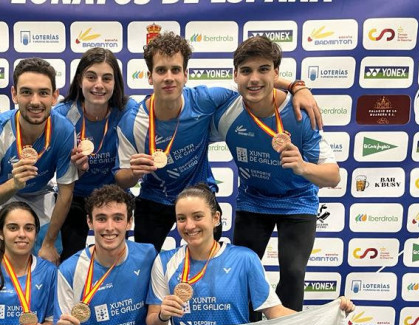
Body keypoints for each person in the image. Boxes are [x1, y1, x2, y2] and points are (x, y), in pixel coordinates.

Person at [115, 31, 323, 252]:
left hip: (200, 195)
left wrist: (298, 87)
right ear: (149, 76)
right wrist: (134, 173)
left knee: (212, 264)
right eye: (161, 70)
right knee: (144, 263)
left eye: (175, 70)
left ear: (186, 74)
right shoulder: (133, 121)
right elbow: (121, 179)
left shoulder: (204, 99)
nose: (169, 77)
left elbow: (255, 81)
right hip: (155, 197)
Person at [212, 35, 340, 312]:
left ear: (276, 72)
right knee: (242, 272)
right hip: (254, 198)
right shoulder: (226, 111)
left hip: (297, 199)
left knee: (293, 272)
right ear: (235, 75)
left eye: (264, 70)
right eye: (246, 71)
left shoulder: (299, 113)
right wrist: (297, 85)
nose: (254, 78)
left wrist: (303, 166)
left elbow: (333, 176)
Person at [146, 185, 353, 325]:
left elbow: (275, 312)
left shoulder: (244, 259)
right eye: (182, 218)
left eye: (197, 216)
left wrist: (327, 315)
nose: (189, 225)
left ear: (216, 218)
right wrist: (163, 315)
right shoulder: (165, 261)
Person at [0, 57, 78, 269]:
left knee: (44, 262)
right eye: (26, 92)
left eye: (43, 93)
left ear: (54, 96)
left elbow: (66, 193)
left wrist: (49, 243)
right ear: (14, 94)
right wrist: (14, 184)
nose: (35, 101)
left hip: (39, 194)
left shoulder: (64, 131)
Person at [53, 48, 138, 261]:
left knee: (117, 256)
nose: (99, 85)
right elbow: (60, 175)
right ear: (80, 80)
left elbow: (126, 173)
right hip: (75, 194)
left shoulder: (127, 111)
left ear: (115, 83)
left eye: (107, 78)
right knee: (69, 257)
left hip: (114, 195)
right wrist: (77, 171)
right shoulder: (63, 115)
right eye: (91, 77)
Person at [54, 184, 155, 325]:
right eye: (101, 218)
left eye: (118, 218)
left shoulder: (148, 255)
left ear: (129, 222)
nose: (109, 227)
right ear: (89, 221)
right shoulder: (69, 270)